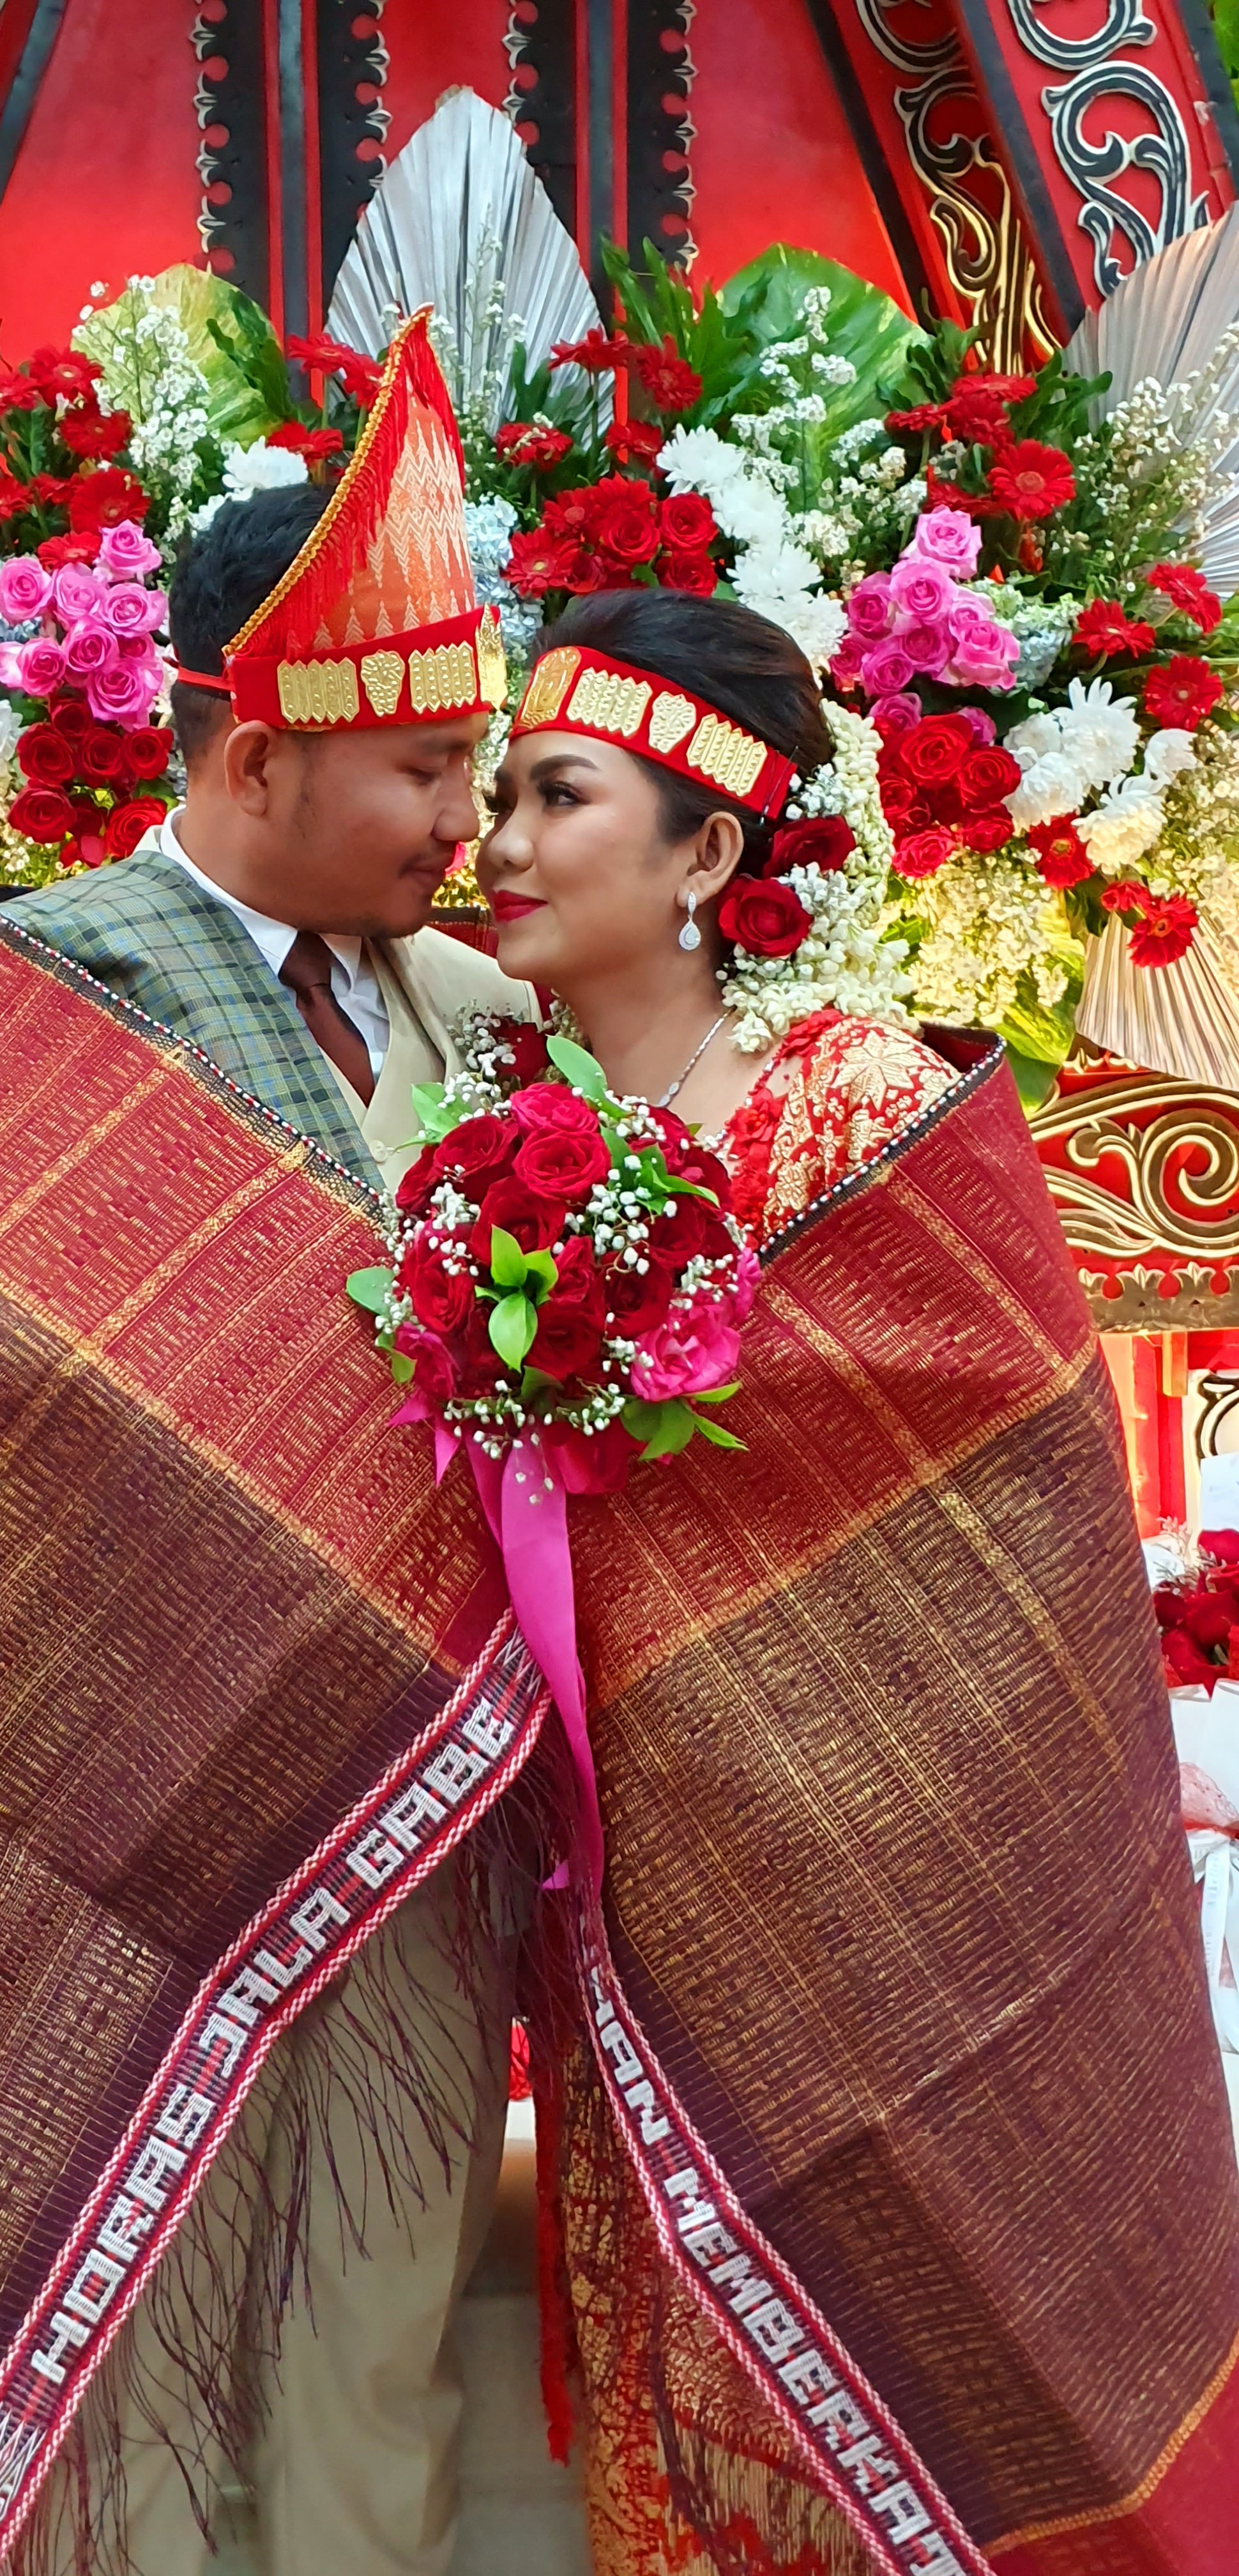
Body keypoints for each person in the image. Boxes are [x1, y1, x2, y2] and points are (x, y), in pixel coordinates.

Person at [0, 314, 540, 2576]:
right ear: (255, 751)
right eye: (424, 769)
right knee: (110, 2330)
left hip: (411, 1813)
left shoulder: (488, 1019)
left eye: (481, 766)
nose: (467, 823)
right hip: (113, 1801)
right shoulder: (47, 981)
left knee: (377, 2342)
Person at [459, 588, 1239, 2576]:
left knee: (928, 2383)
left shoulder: (859, 1102)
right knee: (676, 2415)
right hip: (632, 1900)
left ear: (705, 850)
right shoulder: (491, 1146)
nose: (501, 845)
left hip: (887, 1905)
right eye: (495, 798)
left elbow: (1002, 1516)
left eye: (555, 797)